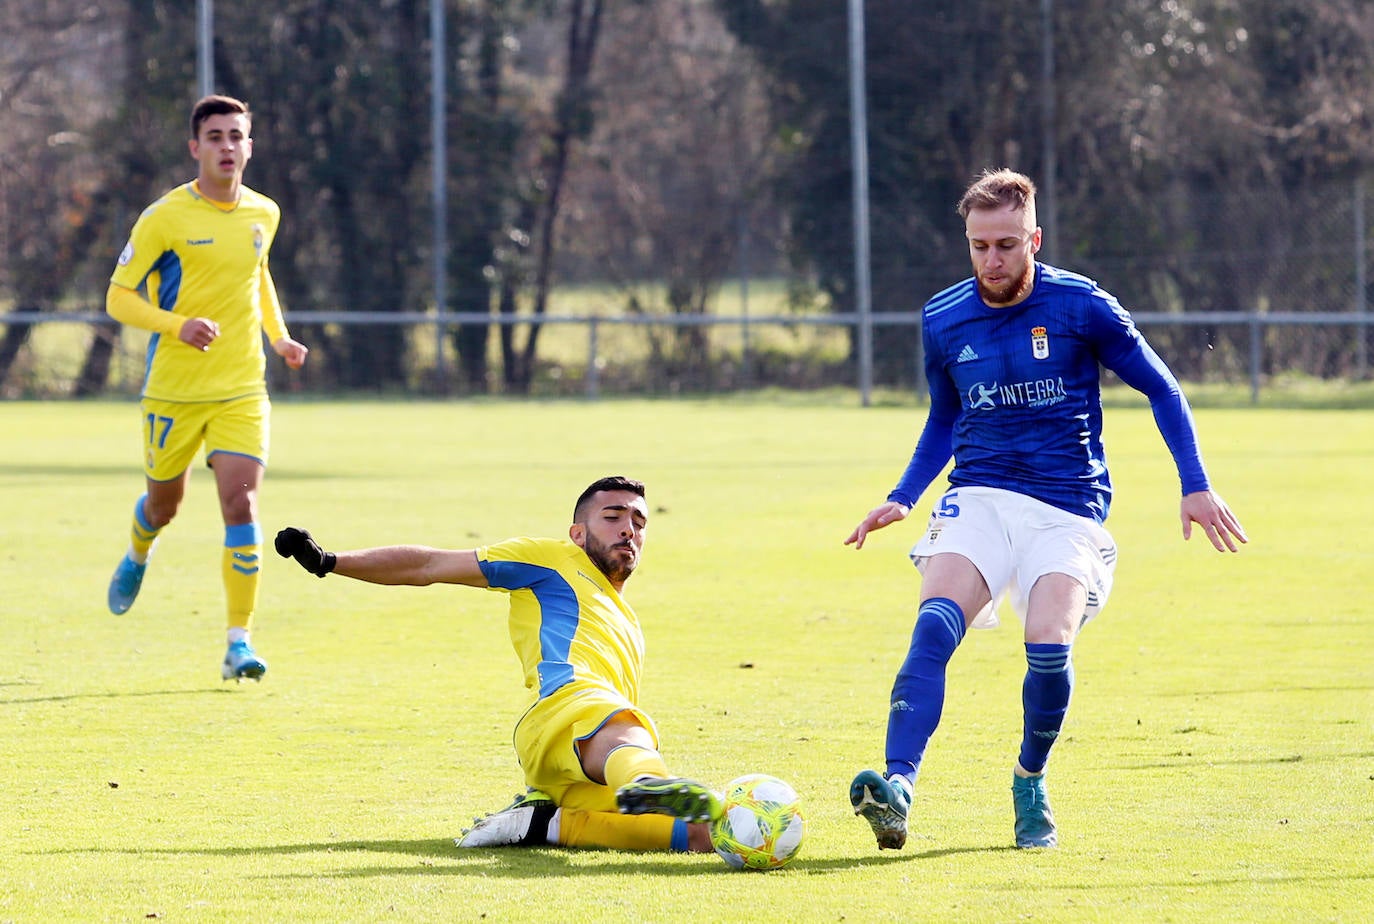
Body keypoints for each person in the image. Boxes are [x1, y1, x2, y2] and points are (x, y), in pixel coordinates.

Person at [844, 168, 1247, 851]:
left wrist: (1195, 482)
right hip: (979, 495)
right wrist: (904, 495)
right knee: (935, 626)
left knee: (1049, 646)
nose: (991, 260)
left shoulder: (1082, 306)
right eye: (979, 246)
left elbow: (1163, 388)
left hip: (1067, 509)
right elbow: (946, 414)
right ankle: (898, 785)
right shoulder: (943, 317)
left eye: (1005, 244)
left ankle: (1030, 779)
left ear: (1034, 238)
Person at [273, 475, 723, 852]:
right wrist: (330, 561)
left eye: (639, 522)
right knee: (629, 732)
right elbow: (430, 564)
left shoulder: (626, 617)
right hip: (569, 708)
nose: (629, 529)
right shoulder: (549, 559)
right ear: (578, 534)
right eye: (613, 517)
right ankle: (649, 782)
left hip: (572, 759)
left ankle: (544, 824)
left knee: (700, 836)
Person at [105, 94, 308, 682]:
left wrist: (280, 337)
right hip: (172, 391)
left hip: (242, 387)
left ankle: (238, 642)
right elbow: (118, 296)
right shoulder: (164, 217)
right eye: (214, 136)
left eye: (236, 136)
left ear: (250, 145)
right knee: (165, 506)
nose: (226, 146)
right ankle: (139, 548)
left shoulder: (263, 213)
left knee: (241, 502)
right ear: (195, 148)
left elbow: (257, 275)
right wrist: (177, 325)